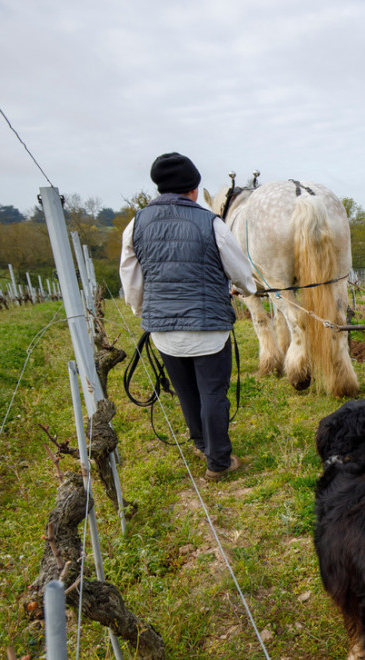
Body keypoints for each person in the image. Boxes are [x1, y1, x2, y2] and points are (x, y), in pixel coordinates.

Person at [119, 152, 259, 480]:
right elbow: (241, 272)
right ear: (194, 189)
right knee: (213, 393)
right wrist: (245, 288)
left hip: (163, 332)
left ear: (159, 188)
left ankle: (201, 444)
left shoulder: (135, 224)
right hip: (209, 327)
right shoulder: (211, 222)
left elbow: (131, 278)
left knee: (186, 392)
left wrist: (145, 312)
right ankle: (219, 461)